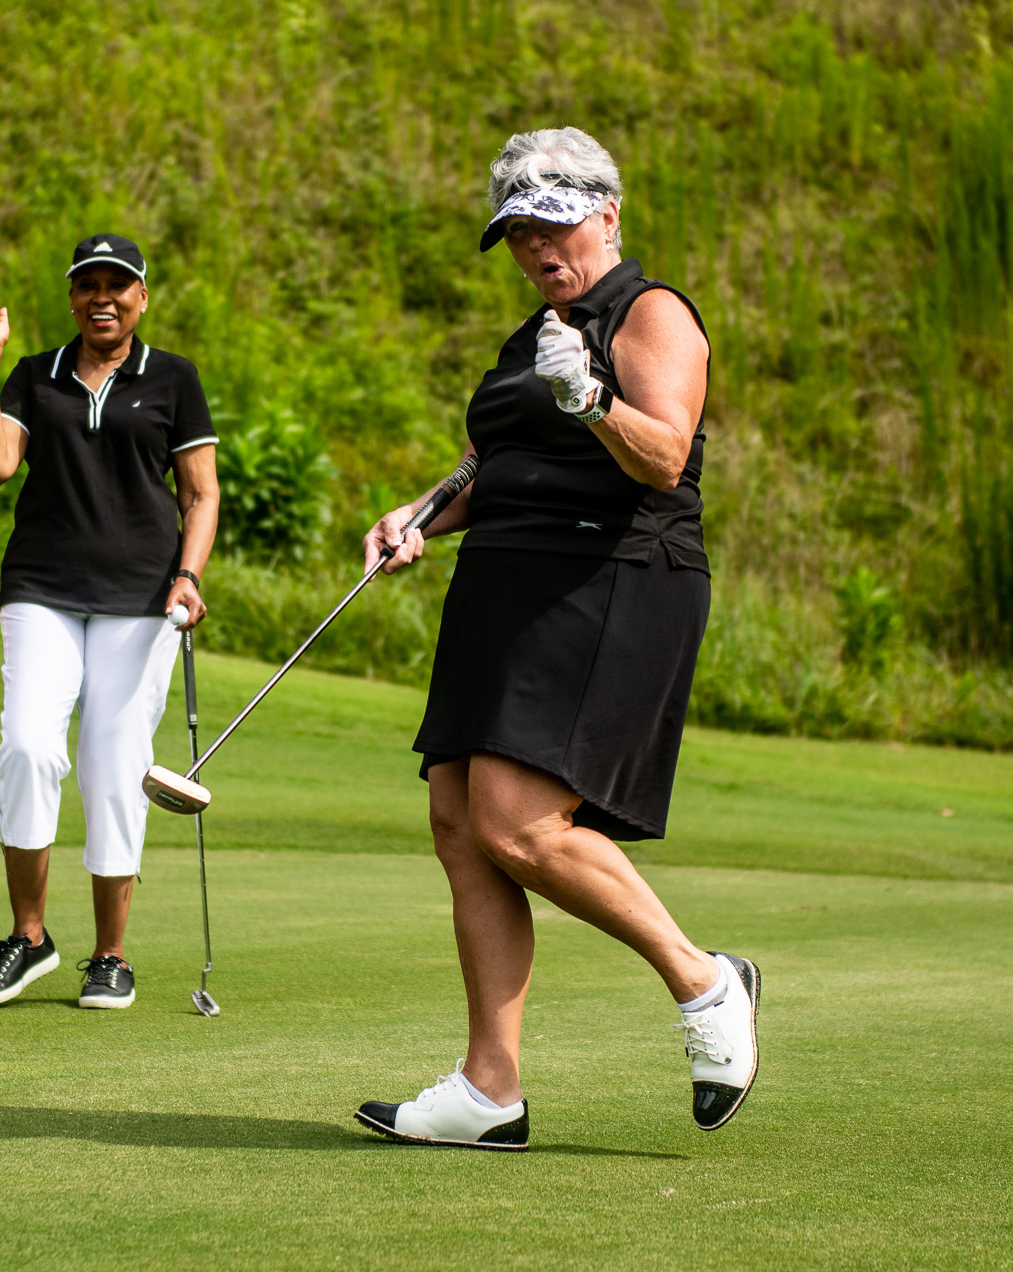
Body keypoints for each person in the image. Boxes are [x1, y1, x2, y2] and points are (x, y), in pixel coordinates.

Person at [352, 128, 758, 1150]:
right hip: (502, 583)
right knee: (459, 822)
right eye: (518, 232)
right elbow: (487, 467)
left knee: (520, 824)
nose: (537, 246)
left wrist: (590, 399)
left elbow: (662, 455)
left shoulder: (648, 312)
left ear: (607, 214)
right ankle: (489, 1090)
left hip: (609, 577)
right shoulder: (532, 334)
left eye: (554, 223)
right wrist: (418, 515)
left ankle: (705, 982)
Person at [0, 234, 220, 1009]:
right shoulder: (34, 373)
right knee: (27, 747)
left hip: (142, 599)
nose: (102, 298)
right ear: (72, 297)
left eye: (118, 285)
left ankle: (111, 955)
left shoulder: (173, 377)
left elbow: (200, 494)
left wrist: (189, 575)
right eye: (88, 285)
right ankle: (29, 936)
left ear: (142, 297)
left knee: (114, 764)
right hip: (41, 587)